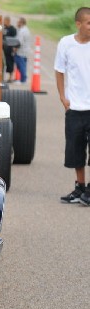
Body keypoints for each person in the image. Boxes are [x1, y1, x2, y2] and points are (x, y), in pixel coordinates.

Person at [54, 7, 90, 205]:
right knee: (76, 151)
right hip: (75, 108)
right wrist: (62, 97)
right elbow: (59, 70)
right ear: (79, 24)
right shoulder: (66, 43)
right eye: (88, 23)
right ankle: (80, 188)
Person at [13, 17, 32, 84]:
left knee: (21, 66)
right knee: (23, 65)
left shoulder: (22, 31)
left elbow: (19, 42)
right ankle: (22, 79)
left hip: (21, 51)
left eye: (18, 22)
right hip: (25, 51)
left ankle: (23, 80)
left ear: (21, 23)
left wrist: (15, 49)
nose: (17, 23)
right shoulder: (26, 30)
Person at [2, 16, 17, 82]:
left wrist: (14, 47)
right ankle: (3, 77)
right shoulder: (4, 28)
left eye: (4, 21)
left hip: (10, 49)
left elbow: (15, 39)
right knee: (4, 63)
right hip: (4, 49)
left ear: (8, 21)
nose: (3, 22)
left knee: (10, 62)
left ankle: (11, 77)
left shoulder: (13, 29)